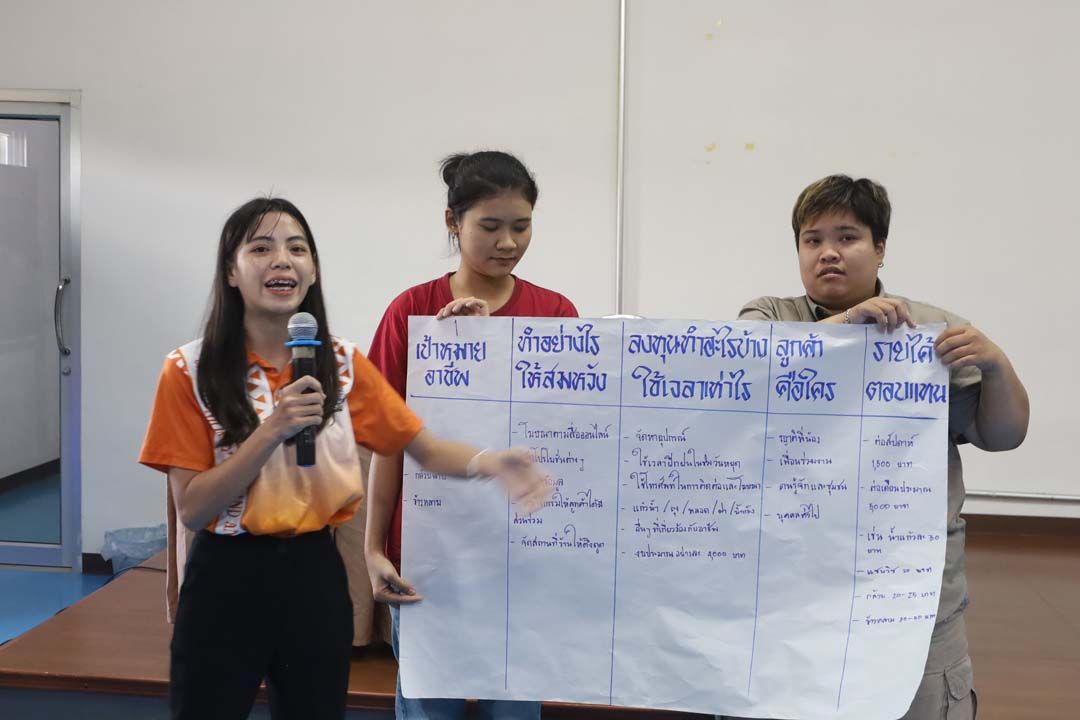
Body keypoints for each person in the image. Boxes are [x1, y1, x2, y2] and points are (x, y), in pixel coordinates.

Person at [139, 197, 548, 720]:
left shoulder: (341, 363)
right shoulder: (188, 370)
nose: (282, 260)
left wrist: (491, 462)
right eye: (261, 249)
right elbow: (193, 509)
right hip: (225, 576)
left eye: (297, 249)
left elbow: (421, 447)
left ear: (312, 270)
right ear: (231, 272)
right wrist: (273, 430)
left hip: (312, 573)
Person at [721, 175, 1029, 720]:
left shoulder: (931, 332)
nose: (829, 252)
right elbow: (748, 367)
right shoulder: (769, 317)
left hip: (910, 599)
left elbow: (1005, 436)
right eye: (812, 240)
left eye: (848, 237)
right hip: (788, 598)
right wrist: (847, 327)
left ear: (880, 248)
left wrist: (997, 365)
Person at [365, 150, 578, 719]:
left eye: (521, 226)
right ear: (452, 222)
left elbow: (565, 434)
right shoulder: (412, 312)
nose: (508, 242)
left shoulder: (556, 313)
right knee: (428, 706)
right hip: (430, 556)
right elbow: (390, 442)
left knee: (513, 710)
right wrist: (373, 548)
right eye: (490, 226)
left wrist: (489, 357)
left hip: (519, 557)